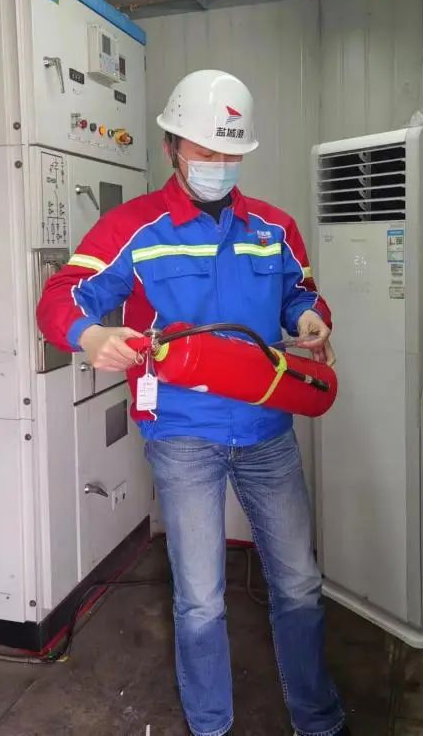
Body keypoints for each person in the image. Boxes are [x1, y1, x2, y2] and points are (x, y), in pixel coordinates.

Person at [37, 69, 348, 736]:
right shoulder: (134, 228)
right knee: (202, 599)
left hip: (267, 427)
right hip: (182, 432)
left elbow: (300, 294)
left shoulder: (274, 227)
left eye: (230, 152)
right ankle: (210, 727)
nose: (218, 163)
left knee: (299, 583)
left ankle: (318, 719)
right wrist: (90, 335)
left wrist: (310, 318)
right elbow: (61, 296)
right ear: (172, 147)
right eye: (205, 149)